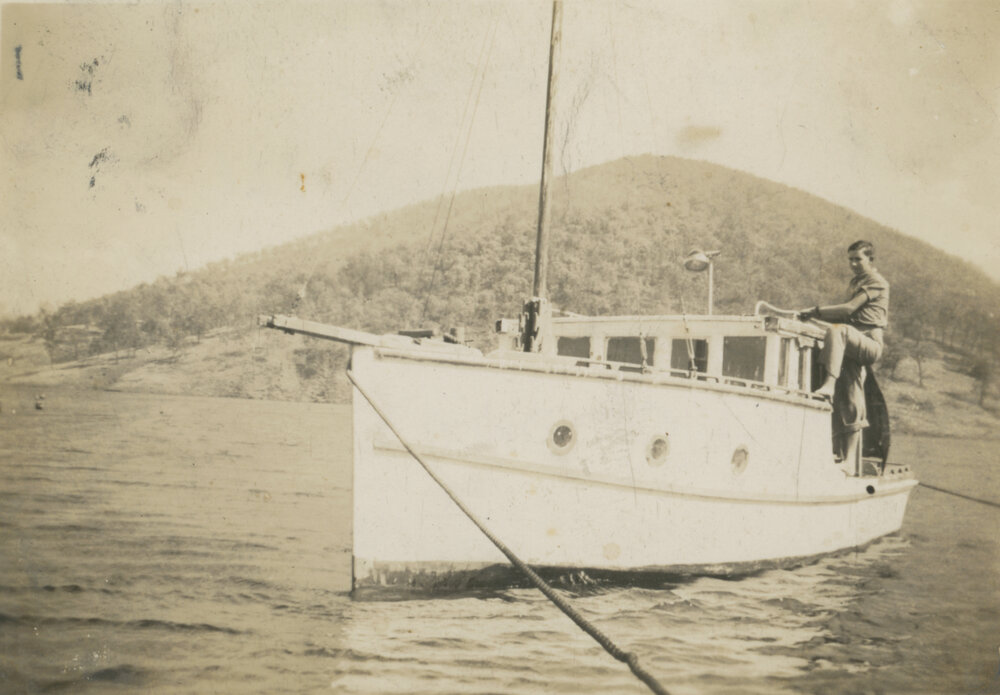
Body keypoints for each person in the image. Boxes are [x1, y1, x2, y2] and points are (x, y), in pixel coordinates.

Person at [798, 240, 889, 464]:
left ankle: (828, 384)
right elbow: (847, 316)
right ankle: (849, 461)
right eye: (850, 259)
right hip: (852, 342)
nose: (853, 264)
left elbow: (848, 310)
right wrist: (812, 316)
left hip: (868, 342)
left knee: (837, 331)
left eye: (858, 259)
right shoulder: (856, 282)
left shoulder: (877, 282)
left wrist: (816, 311)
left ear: (871, 259)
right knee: (851, 399)